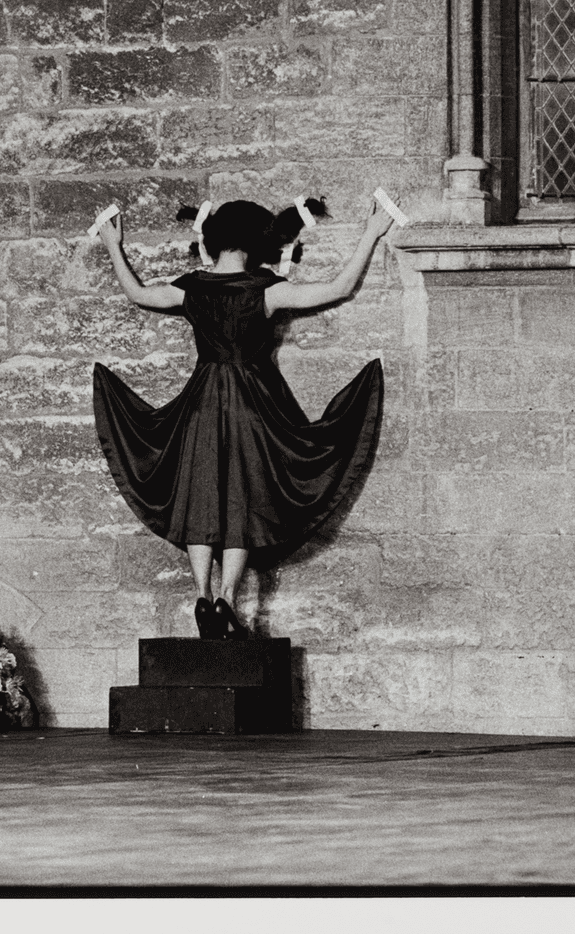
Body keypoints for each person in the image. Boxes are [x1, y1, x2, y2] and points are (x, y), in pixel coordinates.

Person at [92, 196, 395, 639]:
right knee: (239, 497)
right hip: (251, 404)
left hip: (201, 402)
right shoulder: (265, 291)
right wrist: (371, 233)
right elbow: (338, 288)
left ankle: (201, 591)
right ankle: (227, 598)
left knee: (201, 497)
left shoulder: (192, 288)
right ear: (256, 243)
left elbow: (137, 293)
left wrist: (112, 243)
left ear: (212, 241)